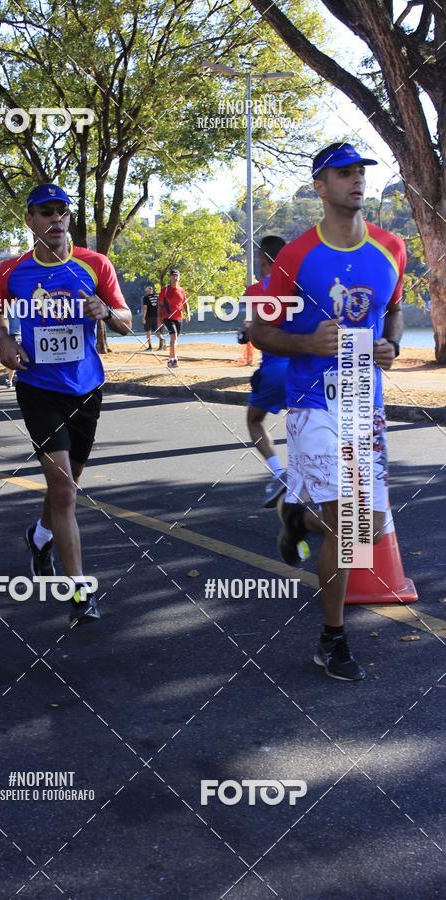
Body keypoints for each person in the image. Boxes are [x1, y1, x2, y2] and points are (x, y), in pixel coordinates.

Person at [251, 142, 405, 682]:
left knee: (372, 527)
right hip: (315, 403)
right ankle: (332, 638)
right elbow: (258, 329)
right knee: (350, 523)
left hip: (367, 404)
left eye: (361, 171)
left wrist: (391, 346)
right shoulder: (296, 256)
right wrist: (307, 345)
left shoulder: (391, 247)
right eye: (343, 173)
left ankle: (299, 512)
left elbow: (392, 314)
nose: (356, 180)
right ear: (320, 186)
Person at [0, 184, 132, 624]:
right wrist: (6, 341)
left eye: (62, 212)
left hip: (86, 388)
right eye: (46, 212)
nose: (56, 220)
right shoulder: (12, 271)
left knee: (66, 485)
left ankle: (39, 535)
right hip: (38, 388)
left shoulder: (94, 264)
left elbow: (127, 322)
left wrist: (105, 313)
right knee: (66, 489)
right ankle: (79, 592)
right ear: (29, 219)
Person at [243, 236, 290, 509]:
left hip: (274, 370)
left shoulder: (256, 291)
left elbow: (249, 328)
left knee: (254, 420)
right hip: (307, 369)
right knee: (306, 424)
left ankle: (279, 472)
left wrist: (244, 332)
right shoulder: (301, 287)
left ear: (263, 260)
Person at [158, 268, 190, 368]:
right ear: (170, 277)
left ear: (179, 277)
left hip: (178, 317)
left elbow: (185, 304)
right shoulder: (165, 290)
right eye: (173, 276)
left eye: (176, 276)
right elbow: (160, 304)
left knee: (175, 338)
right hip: (167, 317)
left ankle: (170, 360)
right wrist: (159, 318)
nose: (175, 277)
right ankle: (174, 359)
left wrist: (188, 314)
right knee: (174, 336)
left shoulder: (182, 290)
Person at [141, 283, 165, 351]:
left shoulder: (145, 298)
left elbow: (145, 308)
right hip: (157, 317)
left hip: (148, 317)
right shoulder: (158, 297)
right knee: (156, 331)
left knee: (148, 331)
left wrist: (143, 318)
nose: (146, 292)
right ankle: (162, 339)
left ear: (148, 291)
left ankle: (150, 346)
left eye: (146, 291)